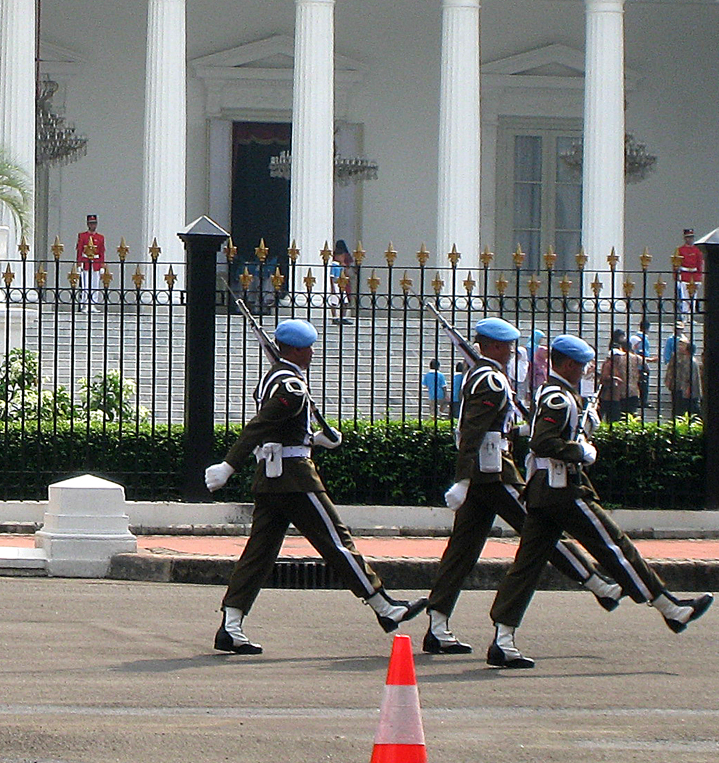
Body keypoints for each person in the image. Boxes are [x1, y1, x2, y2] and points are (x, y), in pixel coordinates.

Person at [483, 334, 713, 668]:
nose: (585, 370)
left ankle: (503, 639)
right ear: (568, 365)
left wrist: (585, 429)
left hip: (544, 493)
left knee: (527, 567)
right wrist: (580, 450)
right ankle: (669, 607)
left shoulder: (559, 395)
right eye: (581, 365)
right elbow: (543, 442)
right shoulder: (558, 398)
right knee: (616, 547)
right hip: (562, 490)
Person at [204, 319, 426, 654]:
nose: (311, 352)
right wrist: (228, 466)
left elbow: (284, 430)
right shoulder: (290, 386)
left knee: (258, 555)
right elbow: (260, 427)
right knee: (337, 541)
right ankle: (384, 606)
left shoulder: (278, 380)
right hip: (295, 478)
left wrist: (317, 439)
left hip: (271, 479)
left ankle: (231, 625)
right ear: (293, 349)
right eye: (307, 347)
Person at [421, 318, 625, 655]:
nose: (513, 350)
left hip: (484, 473)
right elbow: (473, 431)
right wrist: (462, 478)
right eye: (508, 344)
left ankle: (438, 625)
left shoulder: (484, 375)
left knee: (462, 551)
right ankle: (595, 583)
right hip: (495, 473)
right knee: (539, 532)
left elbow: (499, 426)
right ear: (495, 346)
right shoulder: (490, 379)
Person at [597, 328, 644, 422]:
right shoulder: (633, 358)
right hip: (627, 391)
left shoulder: (613, 361)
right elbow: (644, 364)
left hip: (619, 392)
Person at [664, 332, 701, 419]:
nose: (679, 347)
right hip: (676, 385)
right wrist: (669, 381)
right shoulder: (675, 356)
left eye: (682, 345)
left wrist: (689, 388)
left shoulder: (692, 361)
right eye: (678, 345)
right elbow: (670, 369)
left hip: (685, 387)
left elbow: (692, 377)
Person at [76, 214, 106, 311]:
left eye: (94, 223)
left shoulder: (100, 237)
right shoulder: (83, 236)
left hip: (96, 263)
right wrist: (79, 264)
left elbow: (101, 252)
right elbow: (79, 250)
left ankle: (93, 304)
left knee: (95, 285)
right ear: (87, 224)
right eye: (91, 223)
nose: (92, 225)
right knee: (85, 284)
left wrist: (102, 266)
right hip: (86, 262)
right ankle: (85, 304)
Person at [676, 228, 705, 313]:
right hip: (684, 275)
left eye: (692, 237)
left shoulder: (697, 250)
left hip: (694, 275)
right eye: (688, 237)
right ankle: (685, 315)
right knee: (684, 298)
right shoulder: (680, 250)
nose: (690, 239)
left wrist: (699, 277)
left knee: (693, 298)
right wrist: (677, 276)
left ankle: (690, 315)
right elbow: (677, 263)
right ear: (685, 238)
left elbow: (699, 263)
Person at [331, 240, 354, 321]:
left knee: (345, 302)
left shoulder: (341, 266)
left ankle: (343, 317)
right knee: (334, 302)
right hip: (336, 285)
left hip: (342, 285)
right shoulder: (334, 265)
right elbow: (332, 277)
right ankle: (335, 317)